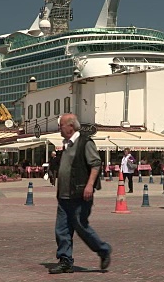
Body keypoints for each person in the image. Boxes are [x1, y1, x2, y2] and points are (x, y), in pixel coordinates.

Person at [47, 113, 111, 274]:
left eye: (61, 125)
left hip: (80, 195)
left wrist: (89, 185)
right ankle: (65, 260)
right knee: (61, 229)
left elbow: (96, 164)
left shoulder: (85, 143)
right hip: (64, 196)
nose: (59, 128)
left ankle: (103, 250)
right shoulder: (67, 144)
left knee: (81, 227)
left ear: (70, 126)